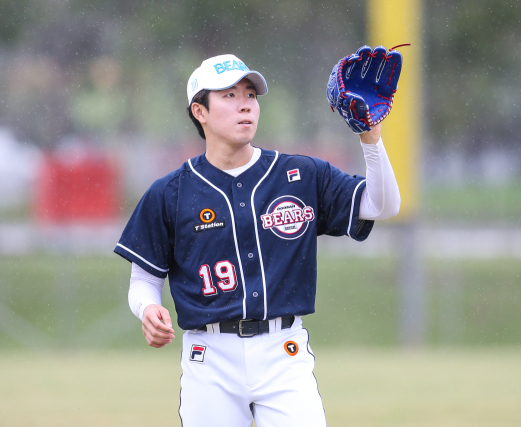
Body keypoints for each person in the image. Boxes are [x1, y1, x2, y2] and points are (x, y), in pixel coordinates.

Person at [114, 53, 401, 427]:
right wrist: (147, 309)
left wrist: (371, 137)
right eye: (229, 96)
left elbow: (382, 205)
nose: (245, 103)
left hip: (284, 353)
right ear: (199, 112)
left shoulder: (300, 174)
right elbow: (144, 281)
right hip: (210, 357)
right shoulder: (170, 192)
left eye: (250, 94)